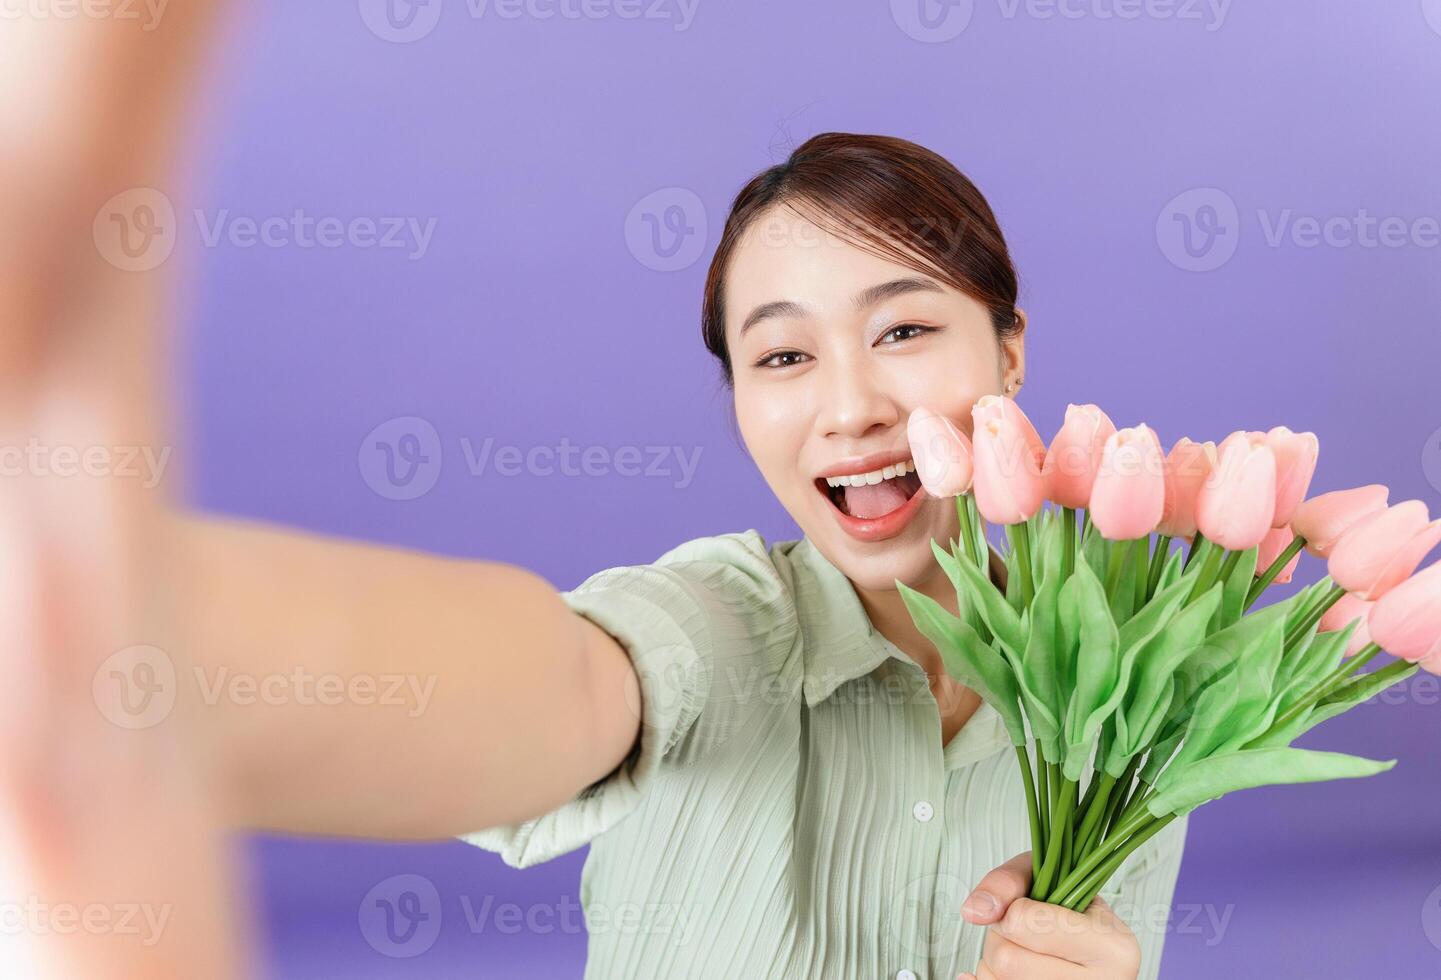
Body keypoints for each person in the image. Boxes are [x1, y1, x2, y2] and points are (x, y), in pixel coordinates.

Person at [1, 8, 1183, 978]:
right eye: (781, 356)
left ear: (1011, 349)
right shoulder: (725, 622)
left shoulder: (1152, 684)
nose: (848, 405)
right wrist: (117, 633)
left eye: (906, 329)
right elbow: (569, 679)